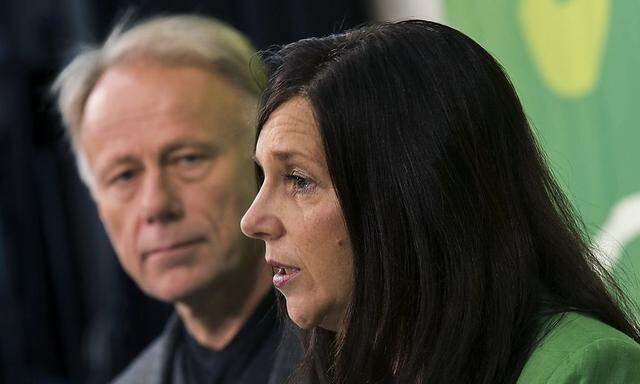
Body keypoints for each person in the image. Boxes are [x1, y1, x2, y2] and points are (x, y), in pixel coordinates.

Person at [240, 20, 640, 383]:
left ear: (407, 196)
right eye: (263, 178)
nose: (253, 220)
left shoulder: (586, 368)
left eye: (298, 180)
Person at [52, 15, 299, 384]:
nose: (155, 205)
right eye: (124, 176)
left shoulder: (383, 356)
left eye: (188, 159)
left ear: (264, 161)